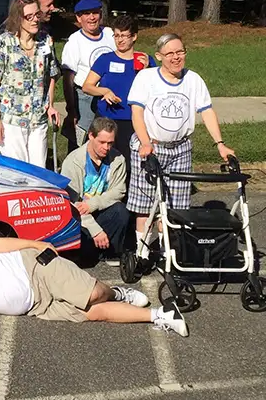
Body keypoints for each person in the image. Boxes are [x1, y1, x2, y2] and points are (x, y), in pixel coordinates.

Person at [0, 236, 188, 336]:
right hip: (37, 307)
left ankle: (118, 292)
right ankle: (162, 316)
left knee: (94, 294)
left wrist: (35, 245)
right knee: (92, 313)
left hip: (34, 268)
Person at [127, 33, 235, 259]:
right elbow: (136, 113)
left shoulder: (193, 80)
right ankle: (142, 253)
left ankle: (169, 253)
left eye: (180, 52)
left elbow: (206, 112)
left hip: (180, 149)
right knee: (146, 204)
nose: (176, 58)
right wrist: (145, 143)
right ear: (159, 56)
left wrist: (220, 144)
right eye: (170, 54)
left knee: (175, 206)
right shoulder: (146, 78)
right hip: (150, 146)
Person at [0, 0, 60, 167]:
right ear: (18, 18)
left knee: (38, 170)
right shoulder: (4, 42)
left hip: (38, 119)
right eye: (29, 16)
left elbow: (51, 76)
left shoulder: (45, 41)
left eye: (37, 15)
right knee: (17, 172)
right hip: (12, 120)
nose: (35, 20)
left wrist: (50, 105)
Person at [82, 14, 155, 166]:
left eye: (124, 36)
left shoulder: (145, 60)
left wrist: (149, 69)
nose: (119, 40)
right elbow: (87, 86)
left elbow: (158, 89)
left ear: (134, 36)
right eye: (116, 35)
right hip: (106, 118)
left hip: (133, 120)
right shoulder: (105, 59)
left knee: (128, 163)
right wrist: (104, 91)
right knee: (98, 159)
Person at [60, 117, 130, 264]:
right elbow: (71, 203)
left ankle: (110, 252)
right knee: (85, 255)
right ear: (91, 136)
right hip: (80, 218)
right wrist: (95, 230)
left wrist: (93, 204)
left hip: (99, 209)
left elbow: (119, 192)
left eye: (110, 143)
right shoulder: (73, 161)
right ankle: (93, 250)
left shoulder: (118, 160)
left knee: (121, 211)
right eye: (102, 142)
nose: (106, 147)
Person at [60, 0, 116, 152]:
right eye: (86, 14)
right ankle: (75, 170)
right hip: (85, 97)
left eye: (95, 13)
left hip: (110, 95)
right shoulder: (75, 41)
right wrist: (71, 109)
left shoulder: (110, 34)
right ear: (79, 18)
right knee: (81, 137)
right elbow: (68, 78)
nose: (92, 17)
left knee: (107, 136)